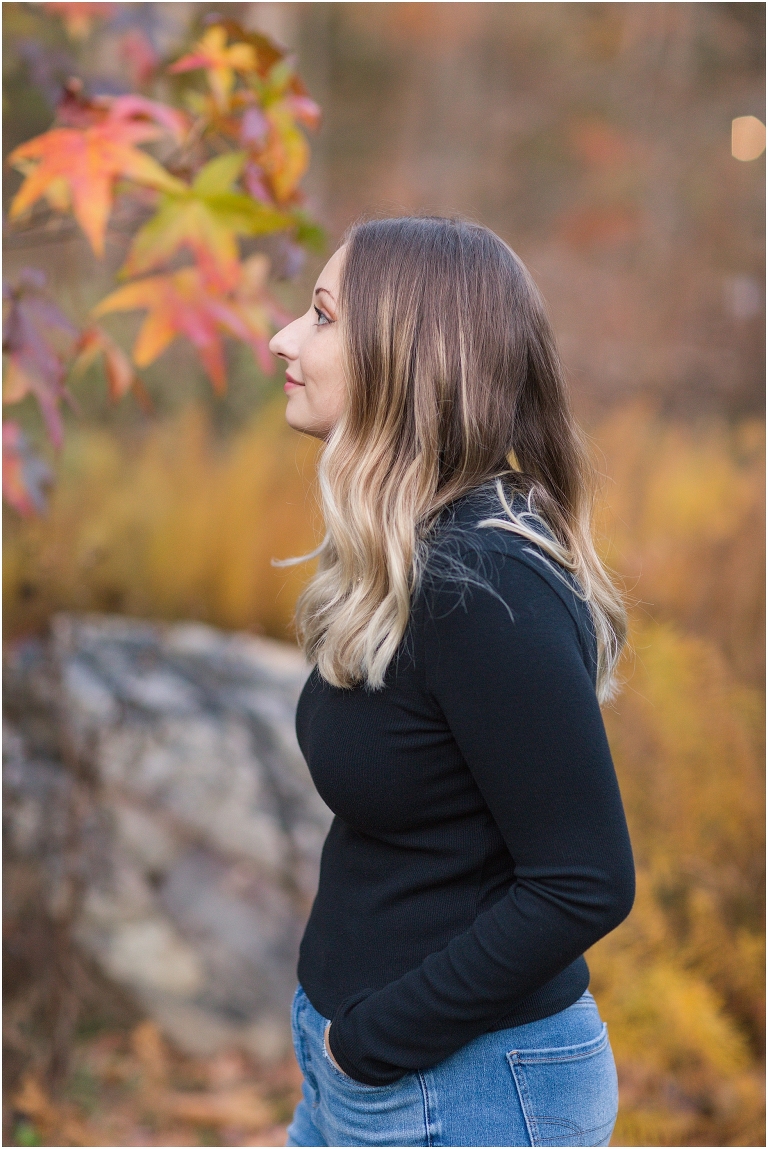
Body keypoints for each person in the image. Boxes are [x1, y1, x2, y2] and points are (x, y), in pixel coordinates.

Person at [268, 216, 635, 1148]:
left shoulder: (485, 582)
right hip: (355, 1073)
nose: (283, 339)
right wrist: (339, 1048)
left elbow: (585, 881)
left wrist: (376, 1042)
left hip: (462, 1093)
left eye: (319, 316)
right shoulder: (408, 552)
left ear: (405, 355)